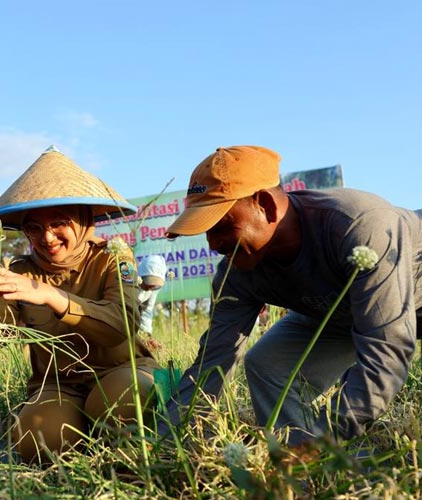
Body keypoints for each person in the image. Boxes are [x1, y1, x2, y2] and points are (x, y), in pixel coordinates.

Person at [160, 145, 422, 446]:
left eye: (222, 226)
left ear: (266, 205)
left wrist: (324, 438)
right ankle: (302, 466)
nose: (214, 244)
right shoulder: (237, 270)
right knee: (268, 364)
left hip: (409, 300)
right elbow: (212, 363)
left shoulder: (358, 225)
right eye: (207, 231)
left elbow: (386, 350)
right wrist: (162, 445)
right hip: (339, 315)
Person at [0, 147, 160, 463]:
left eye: (59, 223)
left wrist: (49, 295)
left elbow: (121, 326)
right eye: (34, 227)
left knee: (120, 404)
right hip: (58, 385)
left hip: (120, 371)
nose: (47, 237)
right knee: (35, 440)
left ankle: (116, 444)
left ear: (84, 220)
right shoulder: (18, 271)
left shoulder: (113, 258)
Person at [137, 254, 167, 335]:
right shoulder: (128, 282)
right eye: (149, 282)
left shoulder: (154, 288)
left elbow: (147, 310)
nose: (151, 287)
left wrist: (147, 334)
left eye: (154, 285)